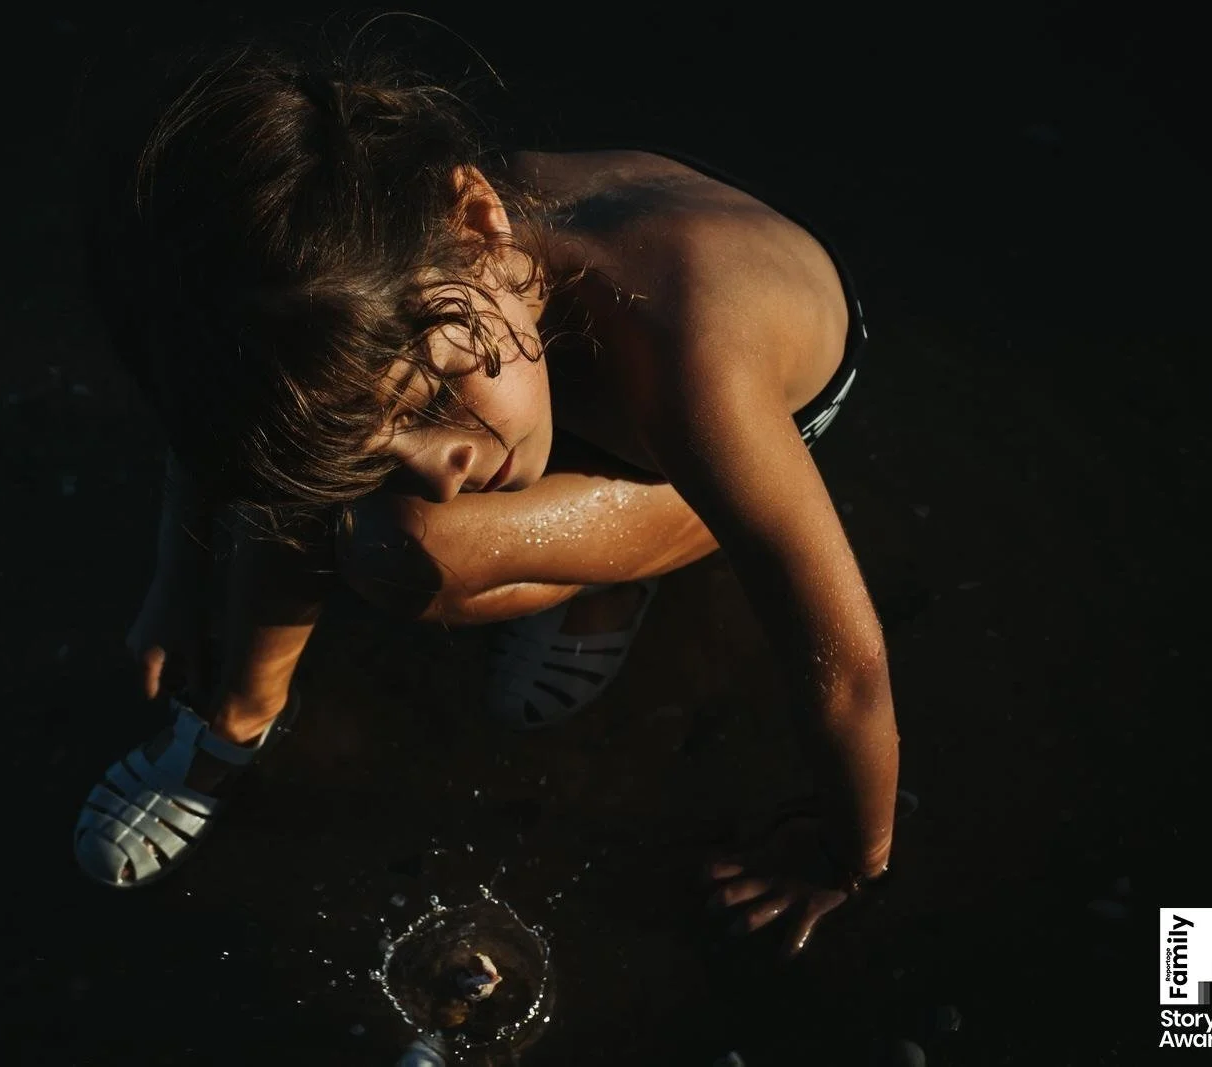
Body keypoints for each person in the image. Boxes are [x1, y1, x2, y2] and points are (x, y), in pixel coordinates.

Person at [71, 23, 900, 957]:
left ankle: (619, 581)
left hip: (719, 428)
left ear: (479, 220)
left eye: (432, 397)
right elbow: (234, 409)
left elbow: (847, 663)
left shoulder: (688, 360)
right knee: (307, 455)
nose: (438, 469)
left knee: (403, 541)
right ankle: (237, 719)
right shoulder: (376, 244)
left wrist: (846, 855)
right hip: (564, 353)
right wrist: (176, 580)